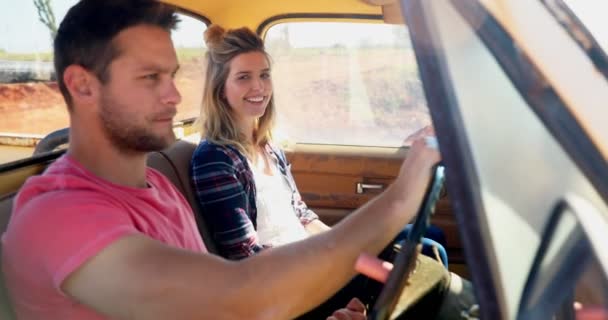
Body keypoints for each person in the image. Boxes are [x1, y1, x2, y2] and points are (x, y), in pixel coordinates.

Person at [1, 1, 441, 320]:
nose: (174, 96)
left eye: (172, 76)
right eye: (150, 78)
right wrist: (402, 197)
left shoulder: (162, 191)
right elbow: (241, 296)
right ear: (81, 86)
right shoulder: (56, 215)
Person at [189, 25, 466, 319]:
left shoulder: (268, 147)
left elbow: (303, 216)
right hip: (289, 285)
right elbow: (246, 259)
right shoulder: (215, 160)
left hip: (316, 263)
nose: (259, 87)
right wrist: (345, 260)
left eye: (264, 75)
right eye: (244, 77)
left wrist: (345, 248)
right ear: (220, 88)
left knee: (423, 240)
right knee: (425, 266)